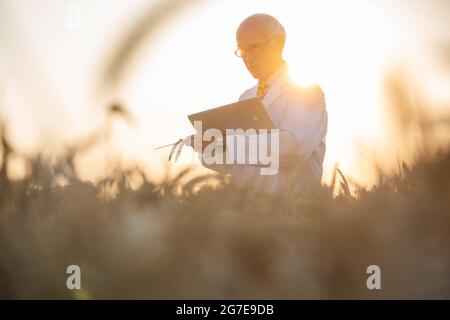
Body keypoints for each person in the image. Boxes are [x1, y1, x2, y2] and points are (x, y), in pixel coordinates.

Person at [189, 13, 328, 195]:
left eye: (255, 47)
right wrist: (208, 148)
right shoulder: (246, 97)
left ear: (278, 43)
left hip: (294, 212)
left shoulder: (307, 92)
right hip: (249, 212)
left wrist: (228, 143)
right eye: (242, 50)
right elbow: (235, 164)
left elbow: (293, 148)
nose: (248, 57)